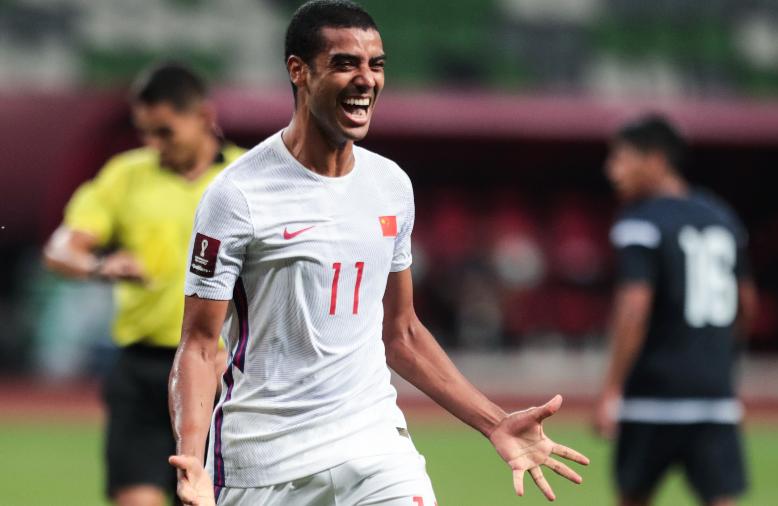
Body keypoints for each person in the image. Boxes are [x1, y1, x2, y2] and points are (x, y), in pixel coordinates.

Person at [167, 1, 589, 505]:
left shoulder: (390, 185)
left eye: (376, 65)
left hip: (373, 446)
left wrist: (495, 423)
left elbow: (403, 333)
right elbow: (197, 344)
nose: (366, 79)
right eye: (346, 63)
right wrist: (192, 460)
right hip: (265, 462)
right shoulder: (236, 196)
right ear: (298, 71)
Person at [43, 63, 243, 506]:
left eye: (165, 132)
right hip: (142, 370)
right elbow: (61, 247)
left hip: (220, 373)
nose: (153, 144)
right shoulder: (126, 174)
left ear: (203, 116)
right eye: (145, 132)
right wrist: (98, 265)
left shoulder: (246, 178)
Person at [593, 115, 758, 506]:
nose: (611, 169)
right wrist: (722, 361)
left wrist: (612, 388)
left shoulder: (640, 222)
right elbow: (747, 302)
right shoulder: (722, 217)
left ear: (655, 160)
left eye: (621, 158)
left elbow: (634, 308)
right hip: (714, 393)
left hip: (653, 393)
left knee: (633, 495)